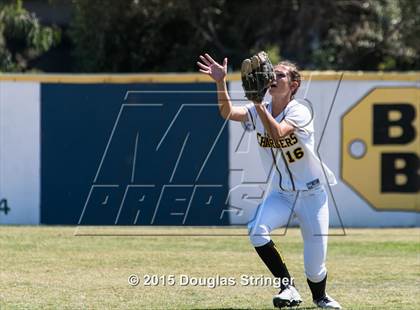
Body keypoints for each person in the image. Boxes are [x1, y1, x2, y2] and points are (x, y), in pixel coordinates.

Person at [197, 53, 342, 309]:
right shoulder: (257, 108)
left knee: (315, 268)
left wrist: (258, 104)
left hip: (312, 195)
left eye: (281, 75)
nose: (273, 77)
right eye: (271, 73)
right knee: (256, 230)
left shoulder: (299, 110)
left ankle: (320, 297)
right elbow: (227, 112)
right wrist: (220, 81)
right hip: (282, 193)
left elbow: (276, 134)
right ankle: (288, 287)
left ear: (294, 85)